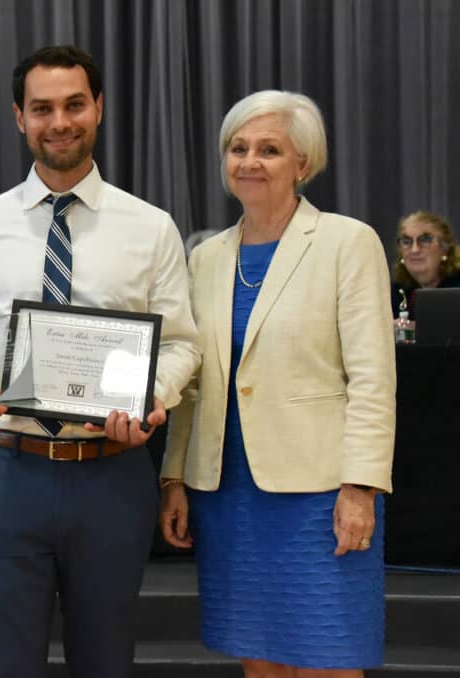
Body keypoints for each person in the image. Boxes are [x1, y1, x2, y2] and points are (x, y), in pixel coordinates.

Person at [0, 45, 200, 677]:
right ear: (19, 117)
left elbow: (184, 343)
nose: (60, 121)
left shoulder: (151, 227)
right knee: (2, 665)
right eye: (42, 108)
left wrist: (147, 396)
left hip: (111, 474)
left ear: (98, 109)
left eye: (75, 104)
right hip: (3, 472)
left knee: (106, 663)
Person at [159, 90, 396, 677]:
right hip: (227, 491)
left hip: (320, 493)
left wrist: (361, 486)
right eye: (237, 148)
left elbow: (372, 378)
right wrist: (173, 477)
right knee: (259, 659)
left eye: (269, 149)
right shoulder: (206, 257)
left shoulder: (348, 242)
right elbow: (194, 382)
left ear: (303, 165)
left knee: (327, 657)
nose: (249, 161)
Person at [390, 210, 460, 319]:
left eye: (425, 240)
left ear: (444, 249)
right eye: (407, 241)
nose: (414, 250)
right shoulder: (395, 293)